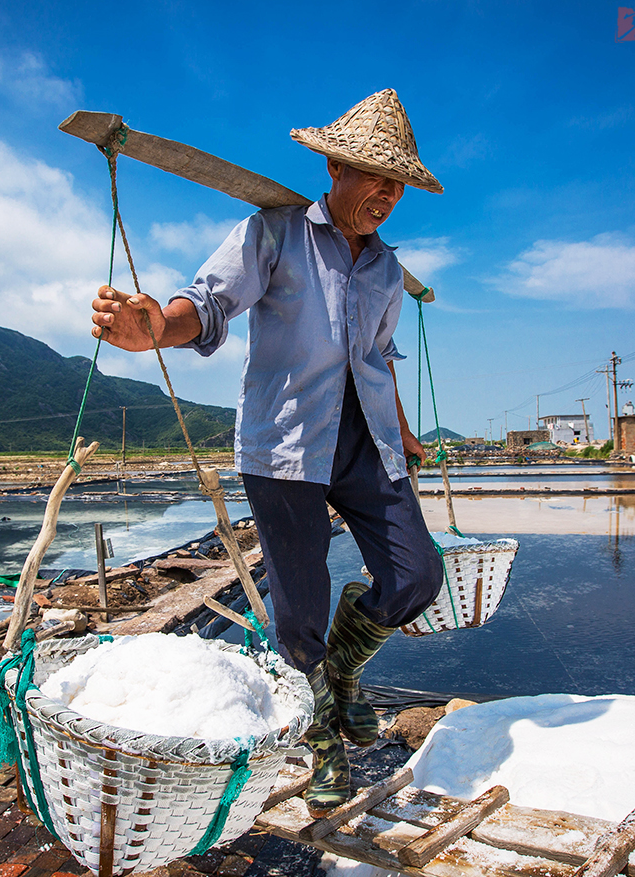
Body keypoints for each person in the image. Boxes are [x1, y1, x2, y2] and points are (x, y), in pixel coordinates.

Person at [89, 89, 443, 816]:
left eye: (396, 182)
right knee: (298, 608)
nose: (385, 193)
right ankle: (321, 742)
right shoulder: (273, 233)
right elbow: (207, 305)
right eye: (373, 175)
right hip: (283, 446)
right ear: (333, 166)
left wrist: (404, 435)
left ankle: (342, 668)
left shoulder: (384, 271)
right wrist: (157, 327)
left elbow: (378, 358)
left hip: (364, 441)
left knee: (417, 575)